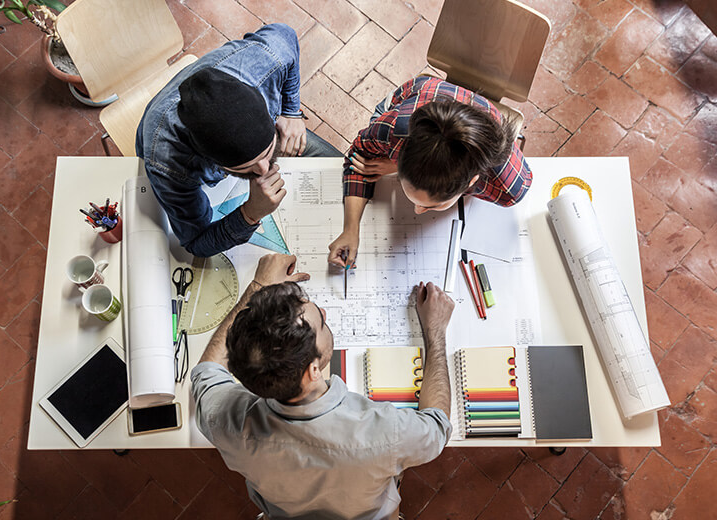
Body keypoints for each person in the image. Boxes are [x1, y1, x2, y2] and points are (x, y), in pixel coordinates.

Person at [191, 254, 454, 519]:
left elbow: (206, 371)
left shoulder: (228, 424)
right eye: (322, 322)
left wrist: (259, 289)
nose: (325, 313)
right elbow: (437, 425)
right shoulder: (386, 432)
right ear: (313, 370)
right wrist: (435, 331)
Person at [136, 24, 341, 258]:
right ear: (213, 162)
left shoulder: (268, 58)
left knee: (340, 167)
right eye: (247, 167)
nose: (266, 169)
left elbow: (287, 34)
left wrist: (291, 112)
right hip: (170, 150)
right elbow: (196, 243)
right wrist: (250, 214)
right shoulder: (167, 164)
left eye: (267, 152)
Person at [328, 75, 532, 268]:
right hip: (420, 93)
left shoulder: (509, 188)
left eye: (433, 205)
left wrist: (394, 166)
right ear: (401, 152)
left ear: (471, 183)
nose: (417, 211)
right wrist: (350, 229)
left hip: (452, 106)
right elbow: (358, 153)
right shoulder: (392, 128)